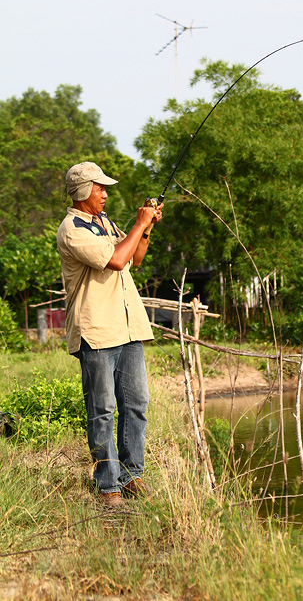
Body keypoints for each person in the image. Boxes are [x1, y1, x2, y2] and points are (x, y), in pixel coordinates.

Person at [57, 161, 163, 506]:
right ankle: (108, 485)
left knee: (136, 404)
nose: (105, 193)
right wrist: (138, 222)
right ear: (83, 191)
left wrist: (145, 230)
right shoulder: (72, 229)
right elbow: (116, 260)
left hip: (128, 327)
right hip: (97, 331)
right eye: (100, 188)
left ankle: (132, 476)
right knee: (102, 408)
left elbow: (136, 258)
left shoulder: (105, 222)